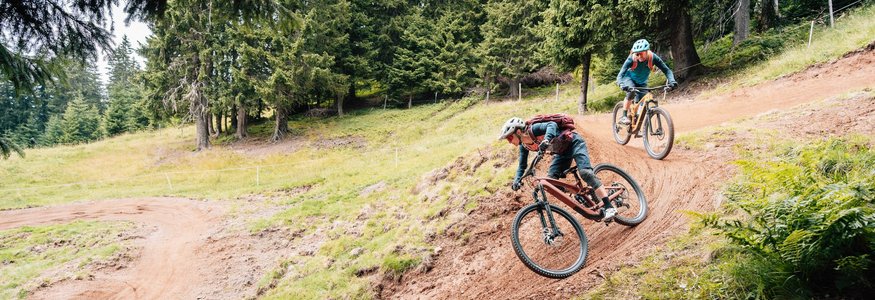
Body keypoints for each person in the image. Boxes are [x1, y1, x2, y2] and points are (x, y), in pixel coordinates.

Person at [498, 117, 617, 221]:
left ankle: (609, 206)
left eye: (509, 138)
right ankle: (580, 193)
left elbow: (552, 125)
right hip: (561, 153)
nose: (509, 142)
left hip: (574, 143)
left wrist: (546, 139)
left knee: (585, 173)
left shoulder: (533, 129)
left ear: (518, 131)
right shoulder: (524, 146)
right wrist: (517, 179)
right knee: (551, 183)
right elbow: (522, 165)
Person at [616, 39, 678, 125]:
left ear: (647, 51)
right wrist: (621, 84)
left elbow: (667, 70)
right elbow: (620, 75)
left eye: (641, 53)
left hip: (642, 82)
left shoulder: (653, 57)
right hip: (628, 79)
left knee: (644, 102)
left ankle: (636, 121)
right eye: (637, 54)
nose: (639, 56)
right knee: (632, 91)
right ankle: (624, 116)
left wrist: (672, 81)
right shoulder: (631, 59)